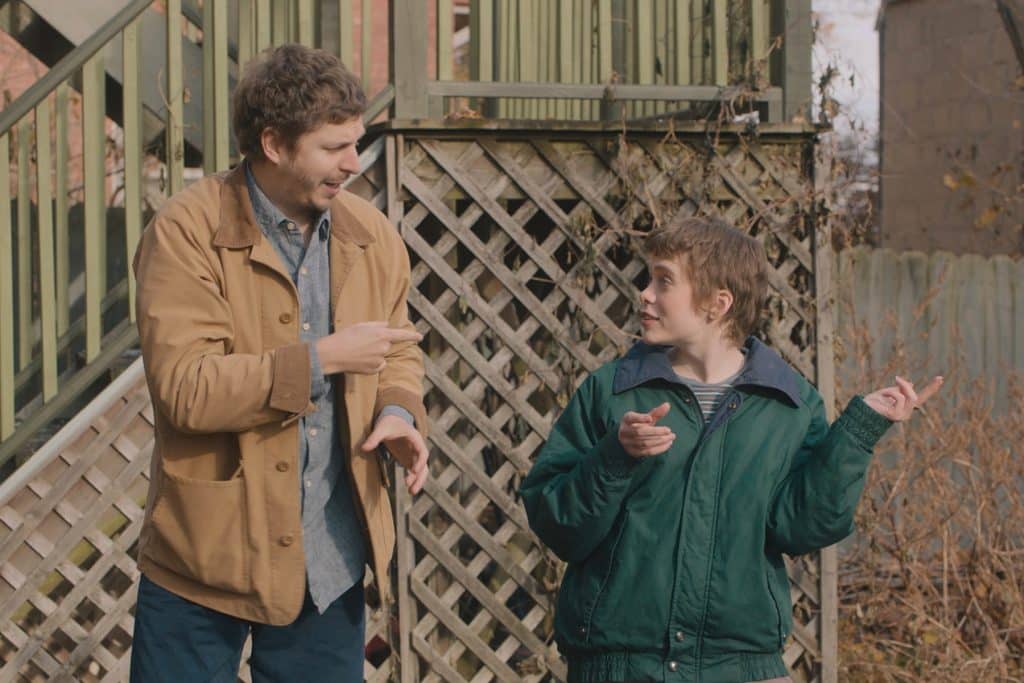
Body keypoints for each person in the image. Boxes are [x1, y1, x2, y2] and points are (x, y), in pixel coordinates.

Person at [519, 216, 942, 683]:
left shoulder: (790, 405)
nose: (645, 293)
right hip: (620, 669)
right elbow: (556, 525)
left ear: (717, 304)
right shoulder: (611, 392)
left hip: (742, 669)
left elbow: (801, 528)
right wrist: (614, 456)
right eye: (649, 279)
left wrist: (859, 429)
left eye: (664, 281)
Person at [129, 44, 428, 681]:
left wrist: (399, 411)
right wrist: (320, 360)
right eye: (333, 148)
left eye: (357, 142)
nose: (353, 163)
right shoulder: (185, 231)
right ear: (273, 143)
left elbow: (398, 352)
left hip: (329, 559)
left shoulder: (373, 237)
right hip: (203, 561)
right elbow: (186, 389)